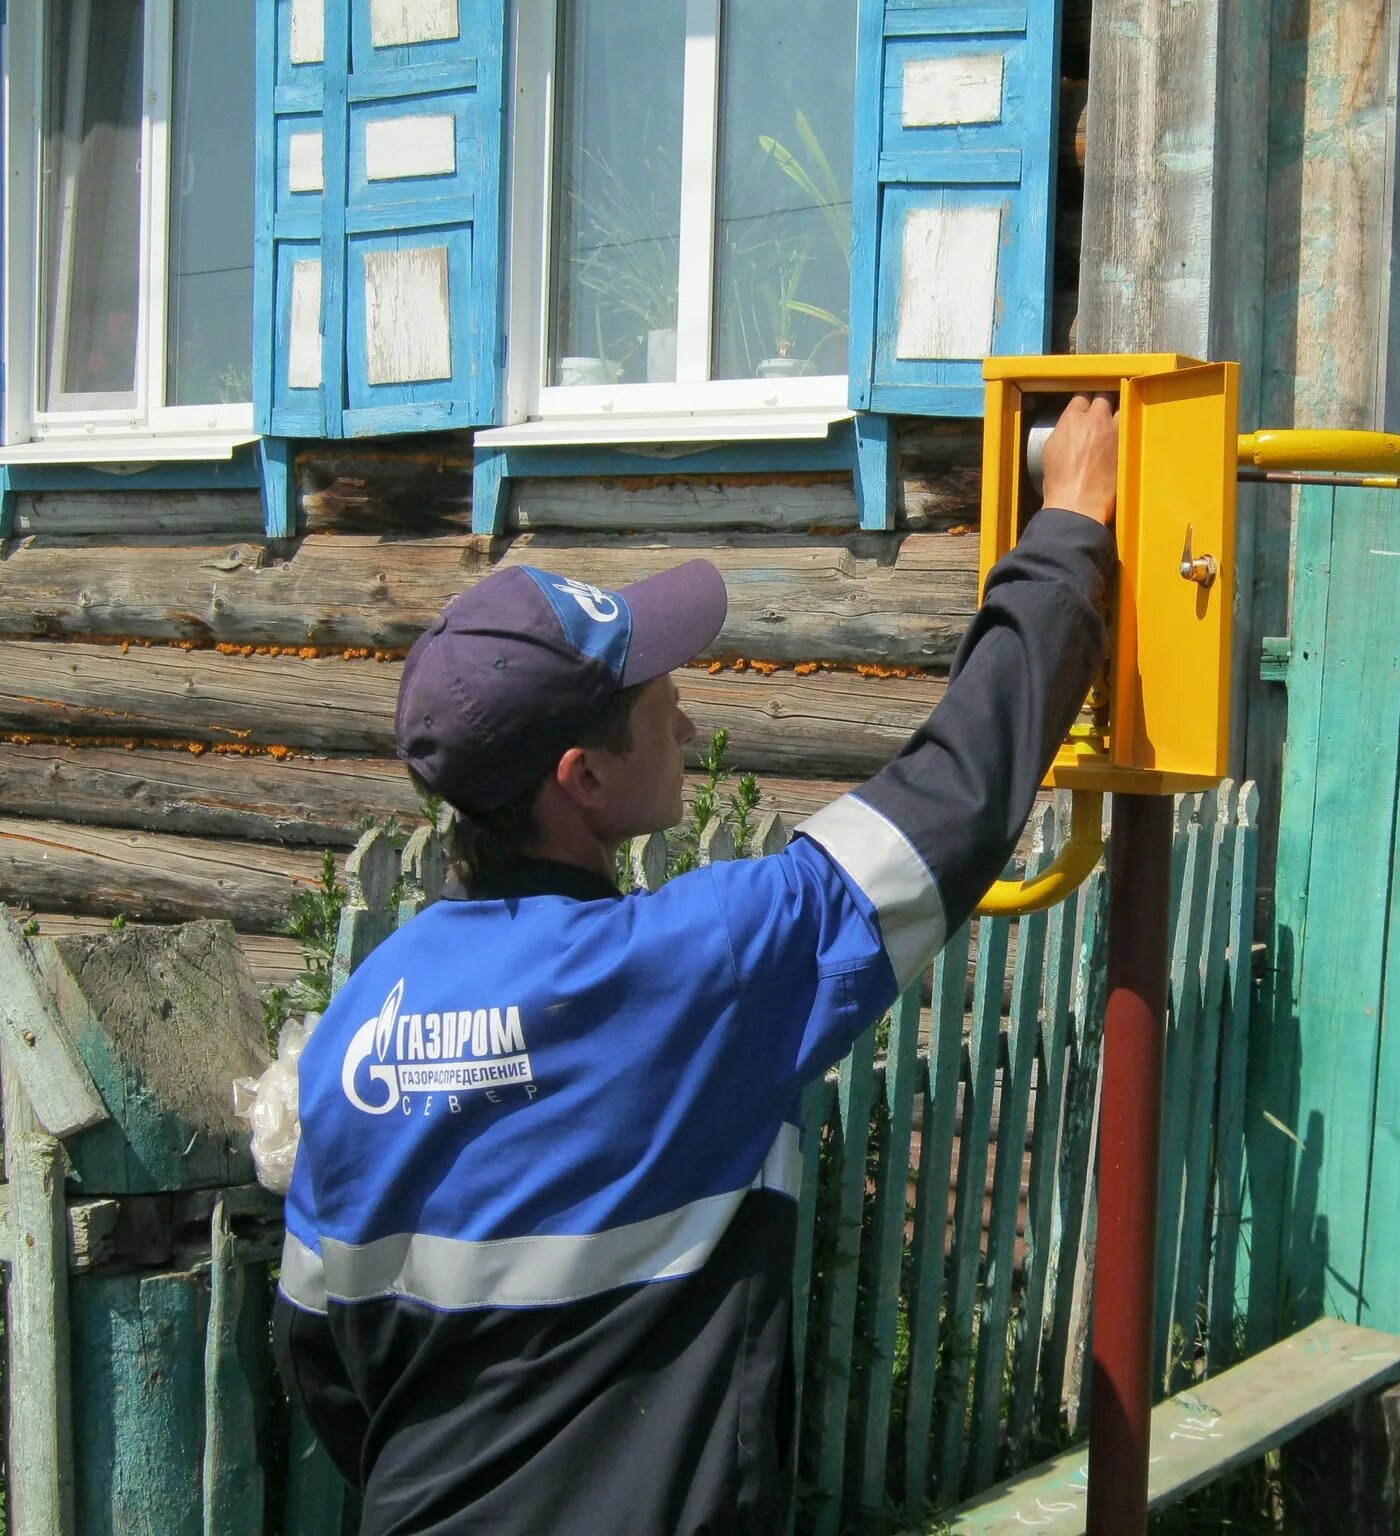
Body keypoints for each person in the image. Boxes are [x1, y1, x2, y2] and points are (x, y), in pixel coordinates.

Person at [274, 395, 1121, 1535]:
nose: (684, 728)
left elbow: (322, 1360)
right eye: (663, 706)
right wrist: (1067, 526)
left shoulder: (365, 1012)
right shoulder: (690, 966)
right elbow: (951, 804)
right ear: (580, 779)